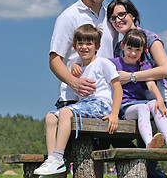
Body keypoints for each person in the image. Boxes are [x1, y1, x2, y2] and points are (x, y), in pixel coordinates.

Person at [46, 0, 117, 177]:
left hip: (103, 103)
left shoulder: (110, 17)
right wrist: (74, 82)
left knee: (95, 165)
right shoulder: (69, 16)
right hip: (72, 100)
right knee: (62, 164)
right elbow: (54, 59)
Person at [107, 0, 167, 178]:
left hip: (163, 103)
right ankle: (150, 171)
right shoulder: (118, 48)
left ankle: (153, 170)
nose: (118, 20)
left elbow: (166, 69)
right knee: (113, 134)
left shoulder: (149, 38)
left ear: (133, 15)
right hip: (136, 103)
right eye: (113, 18)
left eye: (122, 14)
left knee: (145, 131)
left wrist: (131, 76)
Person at [34, 24, 123, 177]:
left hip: (101, 105)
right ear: (74, 47)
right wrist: (75, 67)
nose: (84, 47)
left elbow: (118, 88)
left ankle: (58, 157)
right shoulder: (79, 68)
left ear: (97, 46)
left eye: (89, 43)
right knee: (50, 117)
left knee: (65, 112)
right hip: (85, 105)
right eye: (80, 43)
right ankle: (52, 161)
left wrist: (115, 114)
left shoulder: (103, 63)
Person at [109, 29, 167, 149]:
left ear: (143, 50)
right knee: (143, 108)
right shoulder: (112, 64)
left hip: (139, 103)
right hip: (124, 107)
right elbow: (95, 66)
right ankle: (149, 143)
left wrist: (160, 99)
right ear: (123, 46)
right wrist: (76, 65)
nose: (133, 53)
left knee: (154, 103)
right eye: (129, 48)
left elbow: (150, 84)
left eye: (137, 50)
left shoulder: (142, 67)